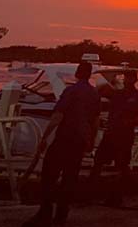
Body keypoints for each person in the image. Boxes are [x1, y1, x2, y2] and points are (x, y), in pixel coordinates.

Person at [23, 61, 101, 227]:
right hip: (80, 142)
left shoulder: (70, 91)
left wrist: (44, 137)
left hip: (64, 139)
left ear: (78, 73)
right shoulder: (94, 94)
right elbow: (95, 121)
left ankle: (45, 212)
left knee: (48, 176)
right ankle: (61, 215)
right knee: (69, 178)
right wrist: (91, 141)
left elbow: (58, 115)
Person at [90, 70, 138, 206]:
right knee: (98, 162)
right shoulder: (117, 93)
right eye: (126, 77)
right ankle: (90, 193)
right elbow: (100, 90)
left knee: (121, 166)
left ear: (135, 79)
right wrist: (110, 77)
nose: (128, 79)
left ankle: (117, 196)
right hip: (110, 133)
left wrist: (131, 121)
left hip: (125, 135)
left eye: (131, 77)